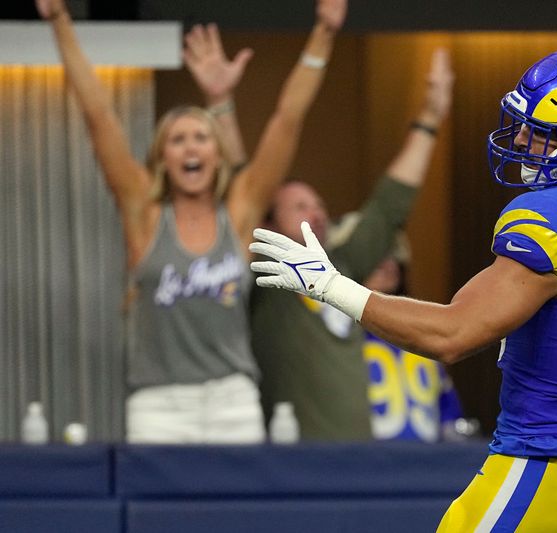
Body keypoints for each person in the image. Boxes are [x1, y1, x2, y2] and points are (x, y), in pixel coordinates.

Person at [250, 48, 557, 531]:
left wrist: (329, 285)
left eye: (540, 133)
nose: (521, 137)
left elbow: (451, 336)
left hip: (545, 459)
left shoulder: (555, 223)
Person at [37, 0, 347, 443]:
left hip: (232, 400)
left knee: (236, 514)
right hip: (158, 405)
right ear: (163, 157)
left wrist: (324, 32)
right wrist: (60, 21)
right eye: (177, 140)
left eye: (201, 137)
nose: (190, 148)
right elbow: (99, 116)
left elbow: (287, 119)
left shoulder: (238, 215)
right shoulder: (143, 213)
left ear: (217, 154)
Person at [249, 49, 454, 441]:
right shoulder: (263, 278)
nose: (318, 212)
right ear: (267, 222)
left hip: (361, 456)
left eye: (321, 204)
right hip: (294, 461)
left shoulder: (344, 263)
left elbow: (389, 206)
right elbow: (247, 191)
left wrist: (430, 118)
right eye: (300, 206)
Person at [329, 215, 464, 442]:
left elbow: (449, 417)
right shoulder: (332, 334)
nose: (386, 262)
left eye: (393, 253)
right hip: (356, 467)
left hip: (426, 468)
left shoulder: (423, 332)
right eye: (375, 253)